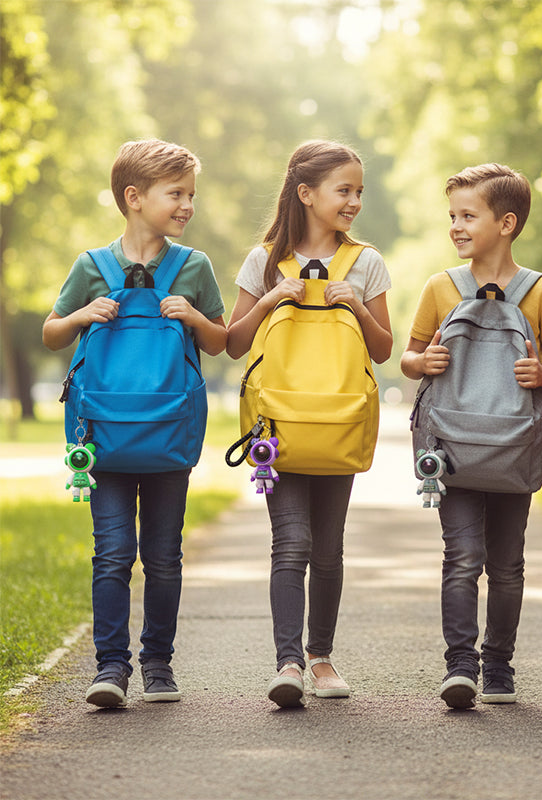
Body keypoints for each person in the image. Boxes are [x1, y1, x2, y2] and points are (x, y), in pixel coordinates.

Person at [43, 139, 227, 707]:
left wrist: (193, 315)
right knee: (112, 554)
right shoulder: (90, 267)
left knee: (164, 555)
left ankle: (158, 663)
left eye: (190, 195)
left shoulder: (193, 266)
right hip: (102, 440)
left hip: (169, 436)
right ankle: (110, 667)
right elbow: (51, 332)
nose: (187, 205)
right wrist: (80, 314)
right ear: (134, 197)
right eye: (176, 194)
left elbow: (221, 343)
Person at [400, 164, 542, 708]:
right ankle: (461, 665)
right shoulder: (439, 287)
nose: (455, 226)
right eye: (451, 215)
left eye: (467, 216)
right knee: (462, 556)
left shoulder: (541, 292)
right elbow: (407, 358)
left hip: (513, 447)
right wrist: (421, 360)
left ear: (506, 222)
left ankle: (498, 664)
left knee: (507, 563)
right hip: (450, 447)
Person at [226, 140, 392, 708]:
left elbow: (385, 349)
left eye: (359, 192)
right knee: (289, 545)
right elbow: (233, 343)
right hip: (279, 425)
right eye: (344, 191)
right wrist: (274, 295)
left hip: (338, 423)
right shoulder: (264, 261)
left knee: (328, 548)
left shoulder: (366, 261)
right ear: (306, 193)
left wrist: (359, 306)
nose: (354, 202)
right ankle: (289, 662)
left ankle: (320, 656)